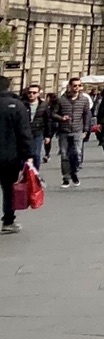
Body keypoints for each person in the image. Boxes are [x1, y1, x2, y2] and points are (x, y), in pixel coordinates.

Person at [0, 76, 33, 234]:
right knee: (8, 189)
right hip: (10, 155)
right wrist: (29, 154)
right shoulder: (17, 106)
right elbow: (24, 132)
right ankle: (8, 221)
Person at [53, 78, 94, 188]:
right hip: (64, 131)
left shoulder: (84, 100)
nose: (77, 88)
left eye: (79, 85)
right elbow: (53, 114)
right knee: (64, 155)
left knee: (77, 153)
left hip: (77, 130)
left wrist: (86, 130)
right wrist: (61, 118)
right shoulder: (61, 100)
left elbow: (87, 115)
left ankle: (74, 172)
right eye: (75, 85)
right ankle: (66, 178)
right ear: (70, 87)